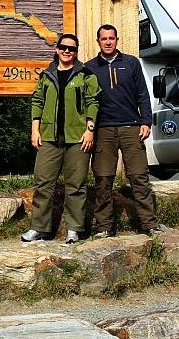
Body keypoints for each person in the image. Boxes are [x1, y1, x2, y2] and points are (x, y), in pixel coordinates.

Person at [21, 33, 101, 244]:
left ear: (76, 52)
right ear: (57, 49)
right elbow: (37, 101)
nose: (67, 51)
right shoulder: (46, 75)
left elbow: (93, 102)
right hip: (49, 136)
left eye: (72, 48)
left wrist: (90, 129)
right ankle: (39, 228)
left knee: (76, 185)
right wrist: (35, 130)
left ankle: (74, 229)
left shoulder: (86, 75)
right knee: (43, 183)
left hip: (78, 138)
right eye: (64, 47)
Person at [86, 24, 162, 237]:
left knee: (139, 177)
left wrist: (146, 121)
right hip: (103, 130)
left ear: (117, 40)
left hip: (131, 127)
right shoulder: (90, 68)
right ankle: (104, 228)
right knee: (103, 179)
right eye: (104, 39)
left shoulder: (131, 63)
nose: (108, 42)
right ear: (98, 41)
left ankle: (150, 225)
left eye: (111, 38)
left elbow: (143, 95)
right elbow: (86, 102)